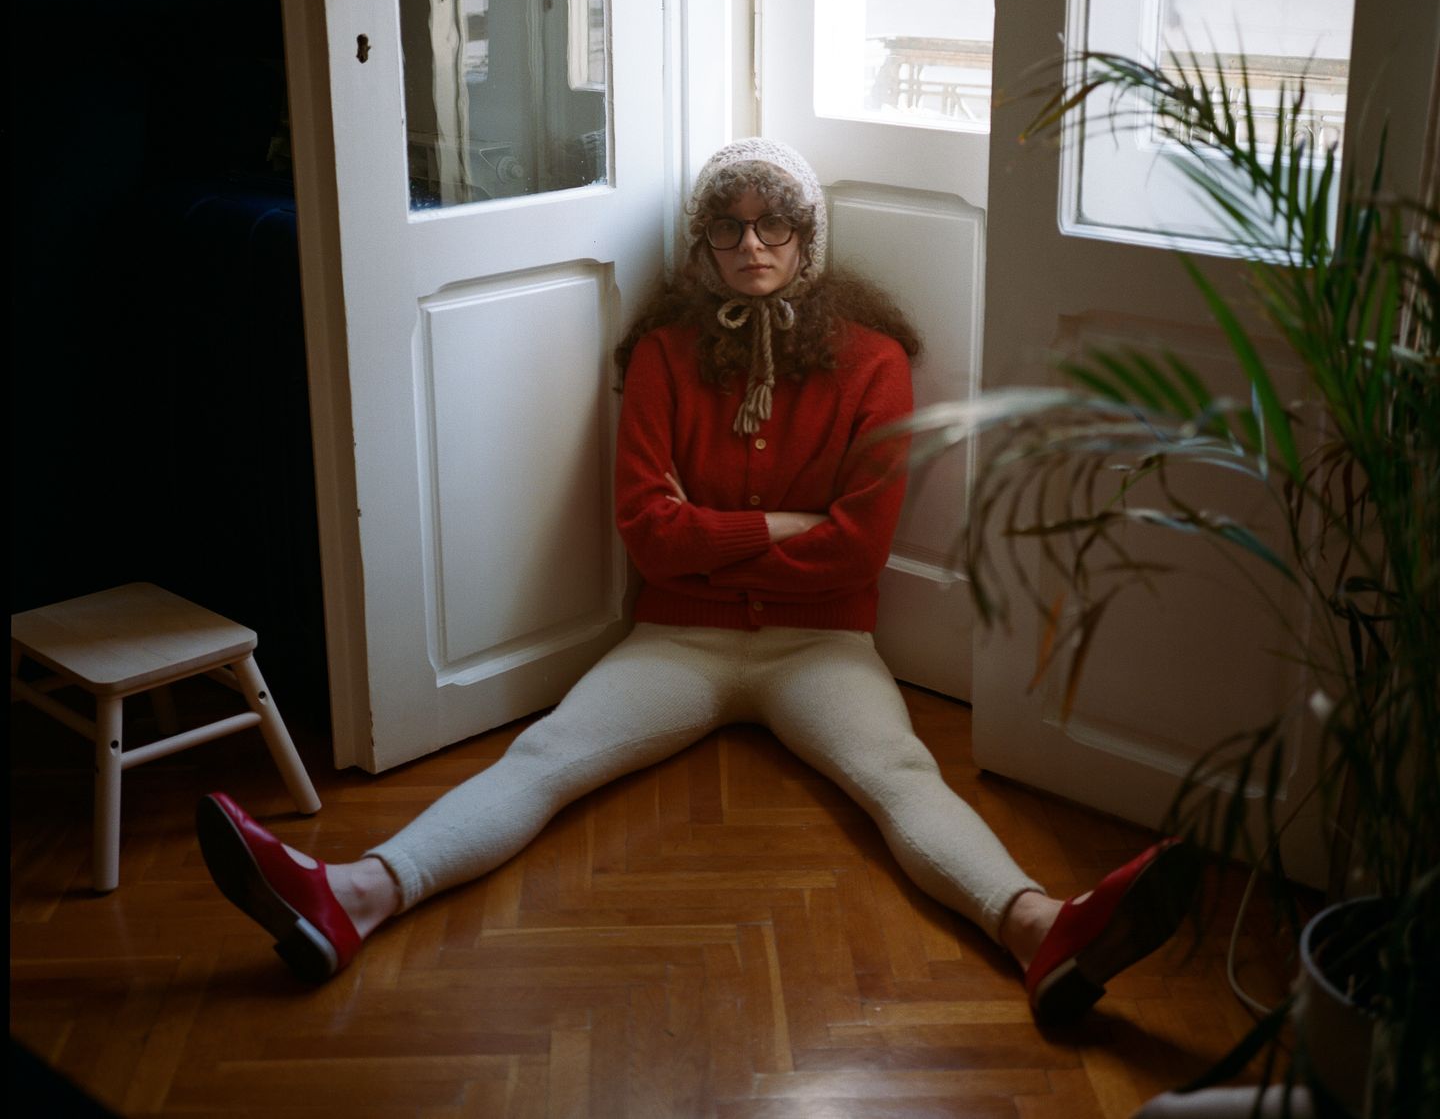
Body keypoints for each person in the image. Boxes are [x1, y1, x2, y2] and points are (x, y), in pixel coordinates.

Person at [197, 137, 1196, 1024]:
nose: (751, 245)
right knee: (544, 756)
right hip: (676, 638)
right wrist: (782, 524)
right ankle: (350, 897)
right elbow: (649, 536)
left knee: (899, 775)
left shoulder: (875, 362)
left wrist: (711, 531)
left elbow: (855, 552)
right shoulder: (665, 355)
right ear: (702, 242)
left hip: (823, 643)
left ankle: (1041, 930)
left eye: (774, 224)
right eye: (729, 226)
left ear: (809, 236)